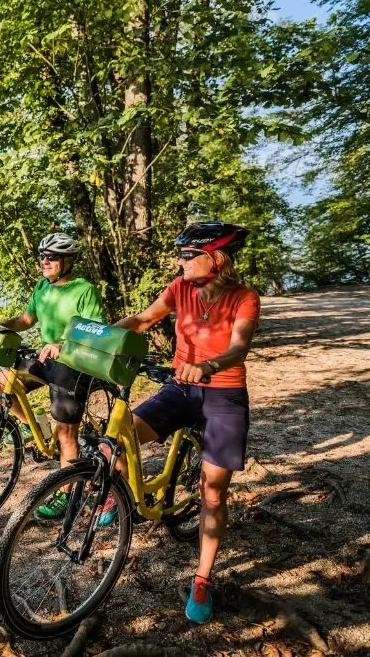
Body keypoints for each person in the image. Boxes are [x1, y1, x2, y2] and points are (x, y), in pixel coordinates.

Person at [108, 221, 259, 624]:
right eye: (181, 255)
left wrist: (208, 365)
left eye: (190, 255)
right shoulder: (179, 288)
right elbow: (143, 319)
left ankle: (203, 579)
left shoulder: (244, 297)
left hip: (224, 395)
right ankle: (121, 495)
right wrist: (97, 335)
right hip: (180, 388)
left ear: (217, 258)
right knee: (117, 439)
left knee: (213, 492)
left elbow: (239, 348)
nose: (181, 261)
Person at [0, 232, 105, 521]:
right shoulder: (42, 286)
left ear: (68, 261)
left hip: (74, 363)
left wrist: (62, 345)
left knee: (66, 432)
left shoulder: (84, 289)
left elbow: (95, 332)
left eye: (52, 257)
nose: (45, 261)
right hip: (45, 358)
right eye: (43, 256)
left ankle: (67, 496)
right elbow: (27, 320)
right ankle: (33, 426)